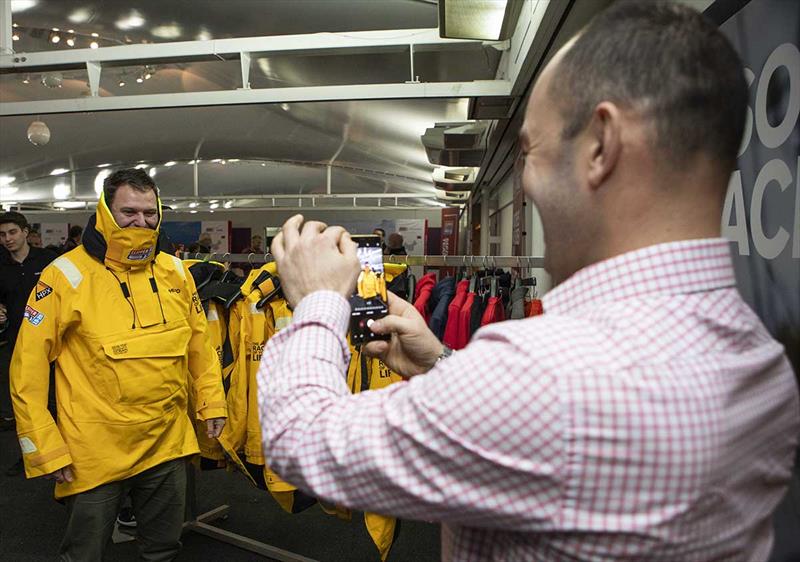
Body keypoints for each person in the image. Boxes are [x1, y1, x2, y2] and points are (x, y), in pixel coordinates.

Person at [256, 3, 799, 561]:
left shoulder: (546, 375)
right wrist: (441, 363)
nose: (529, 183)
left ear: (600, 146)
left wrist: (319, 301)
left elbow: (303, 440)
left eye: (531, 152)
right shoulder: (763, 362)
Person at [10, 168, 227, 561]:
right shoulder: (63, 276)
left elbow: (200, 347)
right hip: (92, 449)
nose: (140, 222)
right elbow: (27, 370)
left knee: (164, 546)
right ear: (106, 212)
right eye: (129, 211)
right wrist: (44, 447)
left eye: (149, 213)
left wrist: (212, 403)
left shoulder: (176, 272)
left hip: (167, 441)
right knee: (86, 552)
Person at [0, 212, 58, 459]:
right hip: (17, 341)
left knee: (55, 398)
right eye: (2, 235)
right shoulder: (1, 266)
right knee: (25, 400)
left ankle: (62, 450)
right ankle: (30, 456)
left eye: (12, 232)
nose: (7, 239)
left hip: (53, 342)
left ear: (25, 232)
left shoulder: (48, 261)